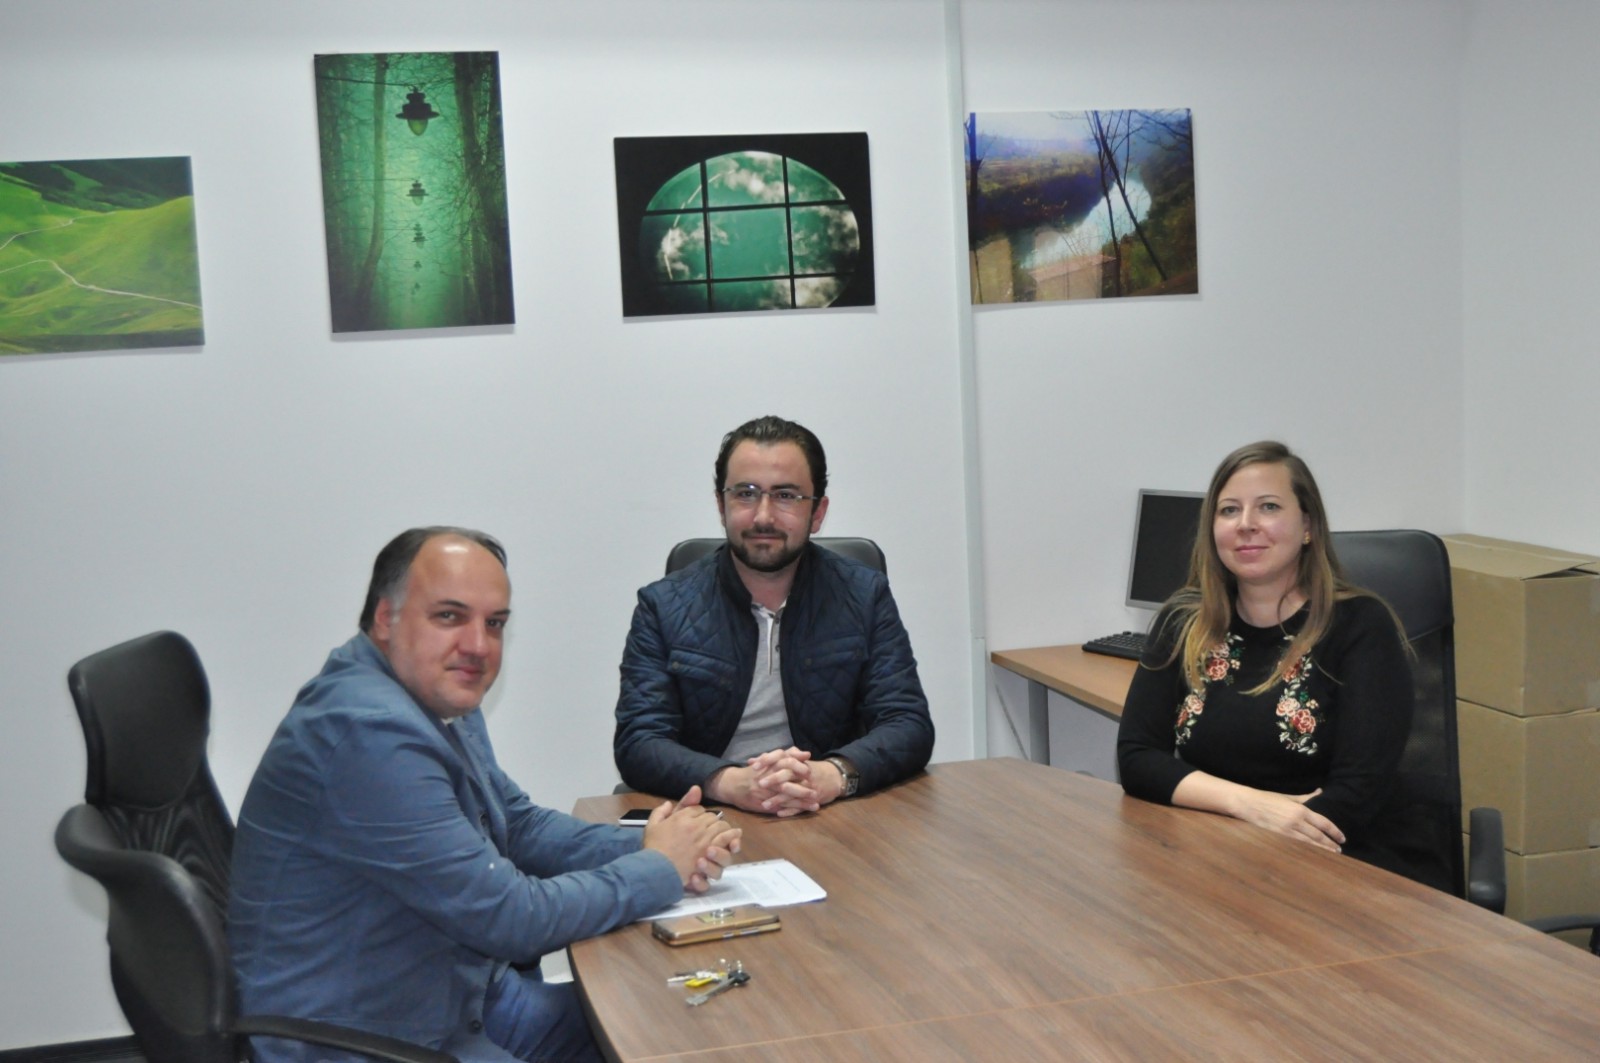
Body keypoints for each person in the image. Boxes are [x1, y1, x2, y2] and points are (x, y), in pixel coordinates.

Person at [229, 527, 741, 1063]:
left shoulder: (431, 692)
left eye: (494, 623)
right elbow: (511, 918)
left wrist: (657, 843)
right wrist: (659, 867)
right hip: (370, 1041)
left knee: (677, 1022)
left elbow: (516, 824)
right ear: (385, 618)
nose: (477, 646)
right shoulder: (370, 734)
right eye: (449, 616)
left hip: (461, 1000)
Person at [1116, 441, 1417, 877]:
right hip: (1214, 853)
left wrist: (1253, 837)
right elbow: (1137, 758)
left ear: (1308, 525)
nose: (1246, 525)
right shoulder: (1184, 621)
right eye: (1229, 510)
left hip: (1333, 865)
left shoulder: (1361, 626)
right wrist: (1251, 806)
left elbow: (1357, 794)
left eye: (1269, 507)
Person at [614, 415, 934, 816]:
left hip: (829, 815)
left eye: (785, 496)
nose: (763, 516)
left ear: (817, 513)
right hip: (710, 815)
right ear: (721, 505)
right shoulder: (662, 606)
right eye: (745, 494)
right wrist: (732, 783)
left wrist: (831, 775)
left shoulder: (864, 595)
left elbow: (908, 724)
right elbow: (639, 741)